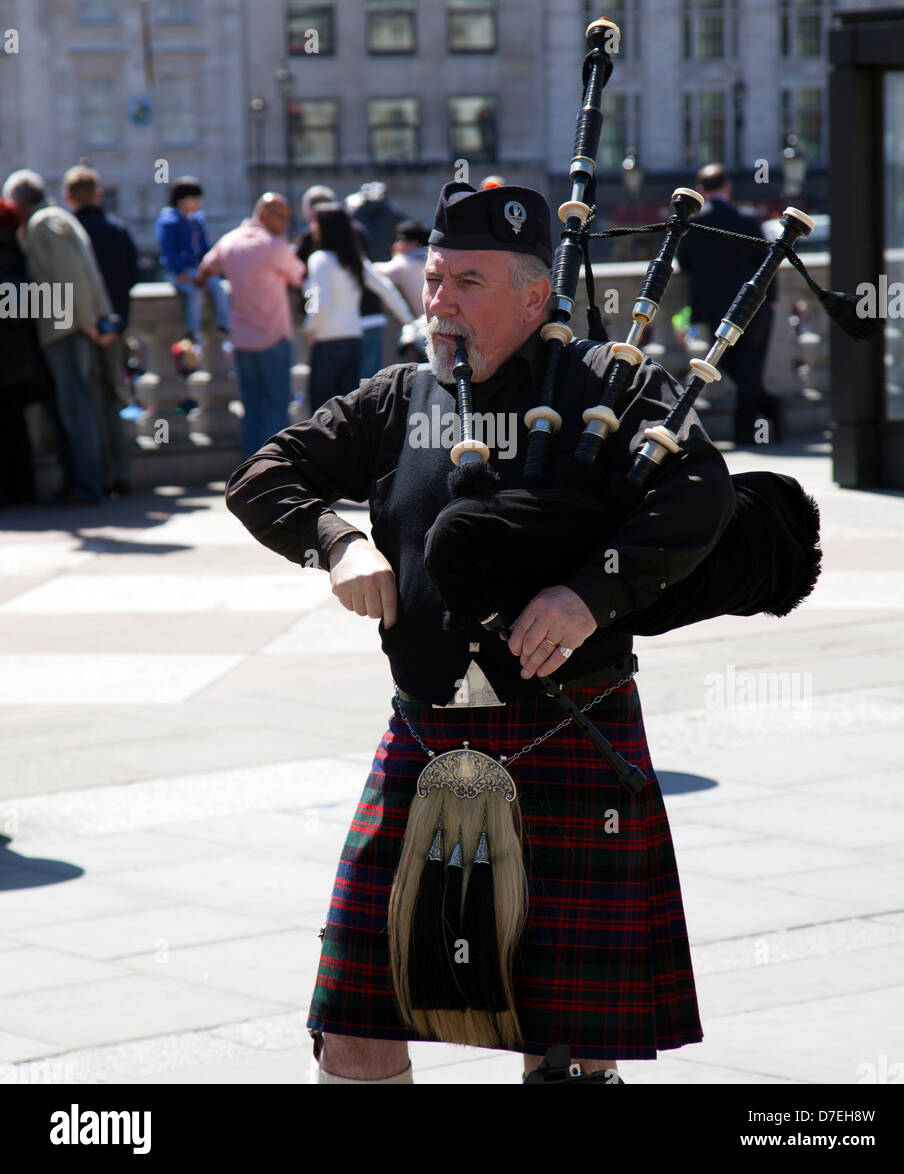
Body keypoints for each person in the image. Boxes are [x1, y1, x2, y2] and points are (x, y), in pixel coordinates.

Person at [225, 179, 736, 1084]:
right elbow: (265, 473)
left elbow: (699, 494)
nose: (438, 302)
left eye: (466, 282)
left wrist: (587, 595)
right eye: (431, 279)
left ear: (535, 295)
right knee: (354, 1021)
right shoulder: (395, 398)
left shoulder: (606, 389)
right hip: (426, 737)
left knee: (567, 1041)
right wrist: (335, 540)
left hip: (570, 729)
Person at [2, 169, 114, 504]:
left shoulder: (43, 224)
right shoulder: (57, 218)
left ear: (18, 203)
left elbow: (69, 278)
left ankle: (88, 486)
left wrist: (86, 322)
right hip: (73, 326)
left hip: (66, 330)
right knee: (79, 407)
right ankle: (84, 482)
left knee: (76, 410)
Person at [675, 163, 781, 445]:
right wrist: (773, 300)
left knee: (726, 362)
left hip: (715, 308)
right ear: (728, 187)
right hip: (752, 305)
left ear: (700, 190)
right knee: (750, 366)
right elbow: (768, 263)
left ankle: (759, 416)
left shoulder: (693, 224)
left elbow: (684, 263)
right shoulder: (745, 219)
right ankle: (754, 422)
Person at [195, 193, 306, 459]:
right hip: (274, 338)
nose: (286, 222)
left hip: (242, 340)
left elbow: (204, 270)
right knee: (276, 408)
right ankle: (272, 468)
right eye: (282, 216)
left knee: (251, 408)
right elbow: (299, 276)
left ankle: (250, 469)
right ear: (265, 215)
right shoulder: (274, 245)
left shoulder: (230, 240)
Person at [63, 165, 140, 496]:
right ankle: (120, 474)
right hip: (113, 327)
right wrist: (116, 324)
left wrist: (90, 325)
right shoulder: (118, 230)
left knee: (86, 402)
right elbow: (131, 276)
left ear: (68, 198)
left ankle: (96, 478)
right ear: (98, 194)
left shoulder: (70, 232)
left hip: (81, 328)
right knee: (113, 400)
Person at [304, 202, 412, 410]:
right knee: (347, 409)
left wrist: (311, 328)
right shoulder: (354, 260)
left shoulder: (319, 259)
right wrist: (408, 319)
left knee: (320, 410)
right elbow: (385, 288)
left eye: (315, 223)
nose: (312, 228)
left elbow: (318, 301)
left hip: (327, 341)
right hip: (353, 339)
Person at [0, 197, 52, 507]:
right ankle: (25, 491)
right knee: (17, 425)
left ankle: (7, 494)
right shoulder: (21, 249)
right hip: (21, 354)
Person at [155, 176, 231, 344]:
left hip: (197, 269)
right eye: (194, 199)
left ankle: (224, 326)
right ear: (182, 200)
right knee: (194, 292)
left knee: (219, 288)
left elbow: (205, 248)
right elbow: (168, 251)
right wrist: (181, 271)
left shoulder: (196, 221)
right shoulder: (169, 221)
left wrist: (208, 269)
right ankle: (193, 331)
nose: (198, 203)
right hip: (180, 271)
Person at [372, 219, 429, 316]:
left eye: (399, 240)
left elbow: (372, 272)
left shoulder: (403, 262)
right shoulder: (432, 260)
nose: (395, 245)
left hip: (422, 322)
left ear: (413, 243)